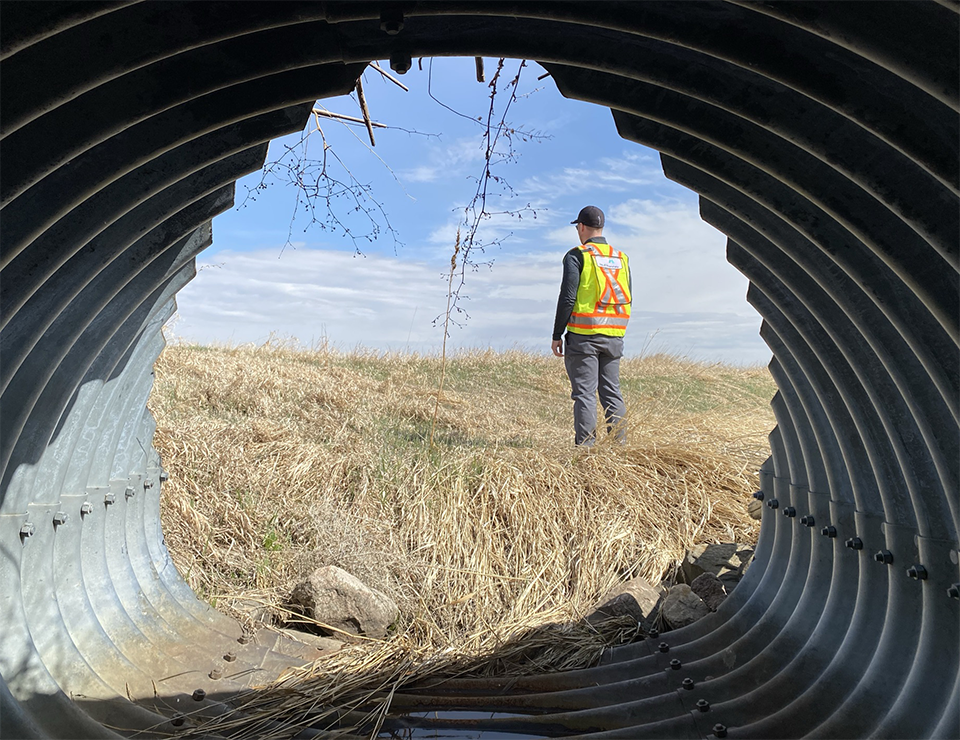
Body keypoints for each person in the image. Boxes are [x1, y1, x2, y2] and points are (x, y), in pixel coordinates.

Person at [551, 205, 632, 446]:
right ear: (601, 228)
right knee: (611, 393)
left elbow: (567, 297)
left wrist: (557, 334)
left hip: (584, 336)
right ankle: (620, 448)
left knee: (585, 394)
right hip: (614, 336)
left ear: (582, 227)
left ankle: (585, 450)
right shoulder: (621, 258)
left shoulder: (577, 256)